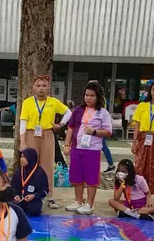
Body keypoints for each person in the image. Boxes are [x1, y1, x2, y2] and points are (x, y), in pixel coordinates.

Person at [20, 75, 72, 209]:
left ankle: (49, 195)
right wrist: (23, 141)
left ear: (48, 88)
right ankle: (28, 191)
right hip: (31, 134)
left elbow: (68, 113)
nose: (41, 88)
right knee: (30, 164)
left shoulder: (53, 102)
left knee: (47, 164)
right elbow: (23, 122)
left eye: (44, 86)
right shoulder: (27, 102)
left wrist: (60, 124)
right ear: (33, 88)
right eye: (38, 86)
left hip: (47, 134)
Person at [64, 82, 112, 215]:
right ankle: (78, 201)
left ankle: (89, 204)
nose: (88, 98)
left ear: (98, 97)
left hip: (92, 150)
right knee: (76, 176)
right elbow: (70, 128)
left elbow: (108, 132)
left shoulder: (103, 113)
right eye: (86, 95)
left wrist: (95, 132)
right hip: (76, 148)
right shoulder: (78, 110)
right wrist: (67, 145)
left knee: (91, 178)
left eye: (92, 95)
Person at [11, 148, 48, 216]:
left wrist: (34, 196)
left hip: (33, 199)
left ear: (31, 158)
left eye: (25, 157)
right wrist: (15, 195)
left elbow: (45, 191)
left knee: (34, 209)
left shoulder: (39, 173)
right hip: (20, 199)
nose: (22, 159)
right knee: (11, 207)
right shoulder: (18, 172)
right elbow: (13, 187)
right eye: (21, 157)